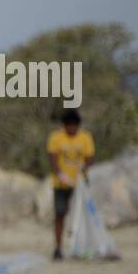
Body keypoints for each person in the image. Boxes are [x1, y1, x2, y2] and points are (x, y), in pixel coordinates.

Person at [47, 109, 95, 260]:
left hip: (79, 186)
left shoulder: (85, 138)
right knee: (60, 215)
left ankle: (81, 247)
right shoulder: (56, 138)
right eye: (69, 126)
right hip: (61, 185)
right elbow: (53, 158)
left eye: (74, 126)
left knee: (81, 217)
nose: (71, 129)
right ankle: (58, 248)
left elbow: (89, 157)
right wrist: (60, 174)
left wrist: (84, 172)